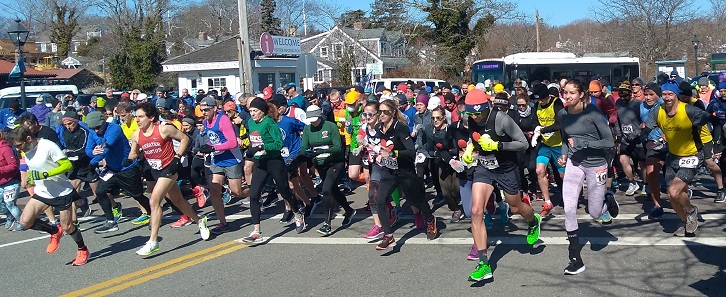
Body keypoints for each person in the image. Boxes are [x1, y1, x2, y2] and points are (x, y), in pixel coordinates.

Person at [461, 89, 540, 281]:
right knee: (476, 211)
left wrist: (499, 146)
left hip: (506, 168)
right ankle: (484, 264)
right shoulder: (471, 119)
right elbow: (474, 136)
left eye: (479, 112)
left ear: (487, 107)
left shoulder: (502, 119)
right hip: (485, 167)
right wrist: (470, 149)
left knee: (515, 206)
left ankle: (533, 221)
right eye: (472, 113)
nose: (476, 117)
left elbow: (524, 143)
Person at [128, 103, 210, 256]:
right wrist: (127, 161)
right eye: (136, 117)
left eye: (140, 117)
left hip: (169, 169)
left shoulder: (164, 129)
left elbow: (185, 139)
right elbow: (133, 153)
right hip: (155, 170)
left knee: (154, 201)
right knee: (178, 201)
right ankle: (200, 220)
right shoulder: (136, 134)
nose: (137, 120)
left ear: (151, 117)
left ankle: (153, 241)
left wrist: (177, 158)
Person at [557, 79, 619, 275]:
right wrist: (564, 153)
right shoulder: (563, 114)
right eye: (565, 93)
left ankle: (606, 201)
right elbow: (565, 138)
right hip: (575, 163)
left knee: (594, 213)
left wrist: (584, 144)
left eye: (572, 93)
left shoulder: (592, 112)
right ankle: (575, 258)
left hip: (596, 165)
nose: (567, 96)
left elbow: (608, 142)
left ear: (582, 94)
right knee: (568, 208)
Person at [9, 126, 89, 265]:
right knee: (25, 221)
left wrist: (47, 174)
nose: (18, 149)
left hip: (61, 192)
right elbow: (33, 167)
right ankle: (53, 230)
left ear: (28, 138)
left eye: (19, 145)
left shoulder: (48, 146)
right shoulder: (25, 150)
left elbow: (67, 165)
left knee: (67, 227)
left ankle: (83, 249)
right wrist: (30, 178)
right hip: (42, 192)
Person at [370, 100, 437, 250]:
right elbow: (382, 146)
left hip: (405, 171)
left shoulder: (400, 128)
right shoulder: (380, 128)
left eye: (385, 112)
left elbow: (411, 152)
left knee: (417, 200)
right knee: (379, 199)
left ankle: (431, 220)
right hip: (390, 171)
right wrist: (379, 154)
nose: (382, 115)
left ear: (393, 112)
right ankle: (388, 235)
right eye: (380, 112)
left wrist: (394, 153)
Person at [643, 82, 708, 236]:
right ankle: (684, 221)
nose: (667, 98)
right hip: (673, 156)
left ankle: (691, 212)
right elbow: (646, 130)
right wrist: (649, 141)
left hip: (692, 155)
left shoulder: (688, 110)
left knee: (674, 190)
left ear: (676, 95)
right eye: (664, 94)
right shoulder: (658, 111)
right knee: (673, 196)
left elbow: (708, 118)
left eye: (670, 94)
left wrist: (714, 144)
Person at [240, 98, 306, 243]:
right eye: (250, 111)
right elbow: (254, 141)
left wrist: (263, 147)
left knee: (284, 191)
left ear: (262, 111)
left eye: (255, 111)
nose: (252, 114)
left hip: (274, 161)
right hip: (260, 162)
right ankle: (257, 231)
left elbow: (278, 144)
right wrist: (252, 150)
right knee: (254, 194)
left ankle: (297, 212)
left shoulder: (269, 123)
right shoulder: (250, 123)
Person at [85, 111, 152, 233]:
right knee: (99, 191)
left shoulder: (114, 129)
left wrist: (92, 162)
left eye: (98, 127)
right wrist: (92, 153)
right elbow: (88, 150)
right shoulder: (93, 132)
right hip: (111, 169)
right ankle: (111, 221)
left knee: (137, 195)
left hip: (127, 168)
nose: (95, 131)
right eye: (92, 128)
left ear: (103, 122)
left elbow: (105, 150)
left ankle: (153, 214)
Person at [302, 105, 356, 235]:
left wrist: (323, 150)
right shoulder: (307, 129)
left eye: (315, 119)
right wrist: (308, 154)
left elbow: (338, 147)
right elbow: (303, 147)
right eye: (311, 120)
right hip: (320, 164)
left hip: (335, 162)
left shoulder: (330, 126)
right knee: (333, 189)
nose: (313, 123)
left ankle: (327, 223)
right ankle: (349, 210)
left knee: (326, 190)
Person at [197, 96, 246, 234]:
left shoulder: (223, 119)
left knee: (237, 192)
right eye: (202, 110)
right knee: (214, 190)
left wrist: (213, 148)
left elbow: (232, 143)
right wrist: (205, 147)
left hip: (231, 159)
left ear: (214, 108)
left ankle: (255, 194)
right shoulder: (206, 121)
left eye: (206, 109)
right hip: (217, 160)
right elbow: (213, 140)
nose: (204, 112)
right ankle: (223, 223)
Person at [530, 83, 565, 216]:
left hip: (558, 144)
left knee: (562, 175)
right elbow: (534, 122)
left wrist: (545, 129)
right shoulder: (537, 105)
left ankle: (569, 194)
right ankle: (548, 202)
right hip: (545, 145)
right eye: (538, 99)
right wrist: (537, 130)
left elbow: (559, 123)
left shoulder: (557, 103)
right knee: (539, 170)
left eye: (542, 99)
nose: (540, 102)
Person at [614, 81, 646, 197]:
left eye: (625, 95)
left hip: (637, 138)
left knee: (642, 164)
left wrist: (638, 133)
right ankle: (632, 182)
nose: (623, 98)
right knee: (623, 160)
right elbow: (617, 120)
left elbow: (644, 121)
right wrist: (618, 136)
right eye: (621, 95)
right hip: (625, 139)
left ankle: (646, 184)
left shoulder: (638, 104)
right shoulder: (618, 103)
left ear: (631, 93)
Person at [0, 130, 22, 231]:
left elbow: (13, 165)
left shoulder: (6, 149)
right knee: (1, 206)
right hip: (0, 182)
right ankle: (10, 215)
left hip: (11, 181)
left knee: (10, 203)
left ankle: (23, 222)